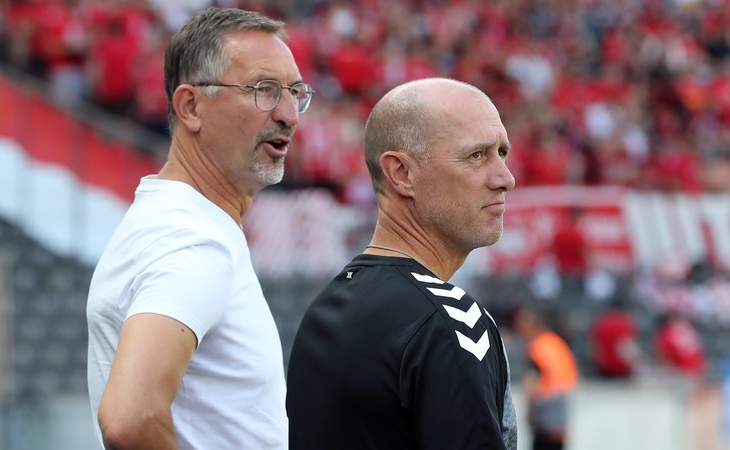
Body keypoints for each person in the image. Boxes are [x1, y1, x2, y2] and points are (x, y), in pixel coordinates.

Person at [86, 7, 313, 449]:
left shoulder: (183, 222)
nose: (290, 114)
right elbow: (131, 419)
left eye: (296, 92)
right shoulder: (191, 238)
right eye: (264, 90)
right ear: (190, 106)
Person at [286, 78, 518, 449]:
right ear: (401, 174)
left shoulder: (324, 310)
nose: (505, 178)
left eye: (502, 153)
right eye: (476, 155)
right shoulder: (450, 321)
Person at [512, 305, 578, 450]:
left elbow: (532, 382)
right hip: (561, 404)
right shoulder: (555, 342)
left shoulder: (537, 347)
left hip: (545, 407)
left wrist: (529, 413)